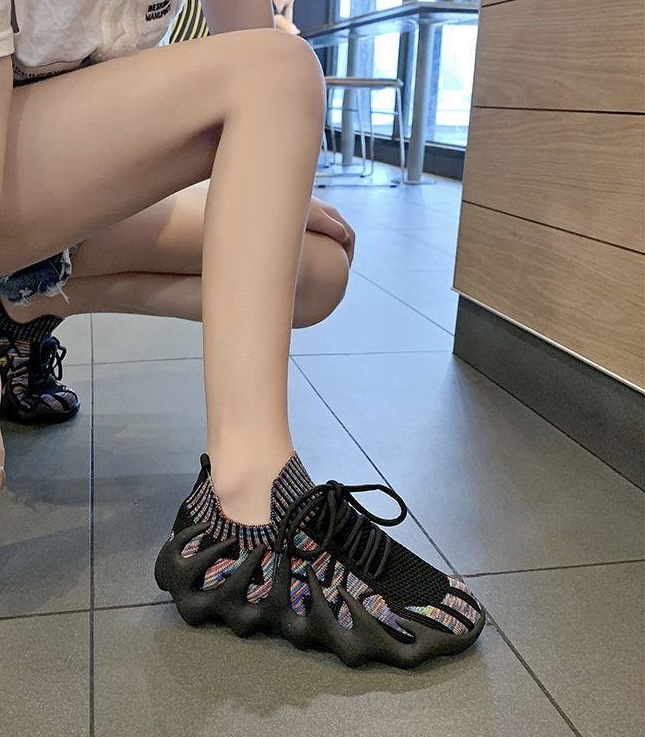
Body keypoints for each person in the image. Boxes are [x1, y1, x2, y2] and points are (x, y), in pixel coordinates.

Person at [0, 1, 484, 668]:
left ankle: (23, 305)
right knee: (280, 69)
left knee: (313, 270)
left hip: (51, 178)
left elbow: (249, 62)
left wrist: (271, 181)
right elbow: (264, 71)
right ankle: (248, 500)